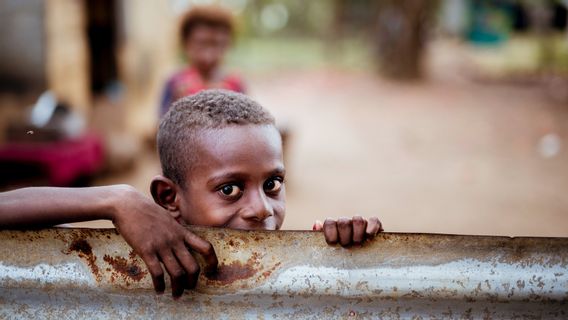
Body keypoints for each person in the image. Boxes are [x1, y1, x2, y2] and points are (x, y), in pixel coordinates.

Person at [0, 90, 382, 298]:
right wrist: (116, 200)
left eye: (273, 184)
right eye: (230, 189)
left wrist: (339, 255)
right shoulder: (142, 250)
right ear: (169, 198)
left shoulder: (293, 264)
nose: (261, 209)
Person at [159, 5, 245, 117]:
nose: (208, 55)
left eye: (217, 44)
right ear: (186, 44)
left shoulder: (235, 84)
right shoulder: (175, 84)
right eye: (202, 44)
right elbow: (161, 128)